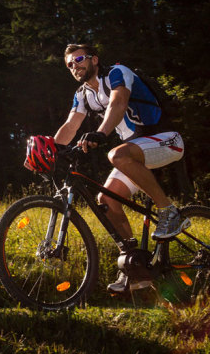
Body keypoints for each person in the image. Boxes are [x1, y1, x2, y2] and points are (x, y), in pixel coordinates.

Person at [52, 43, 186, 293]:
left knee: (116, 154)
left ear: (94, 59)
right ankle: (137, 269)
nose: (74, 66)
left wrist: (101, 133)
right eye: (69, 64)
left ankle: (169, 212)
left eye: (79, 59)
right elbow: (71, 125)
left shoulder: (116, 72)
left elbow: (118, 103)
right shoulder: (82, 94)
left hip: (166, 140)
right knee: (106, 200)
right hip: (137, 151)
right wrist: (50, 150)